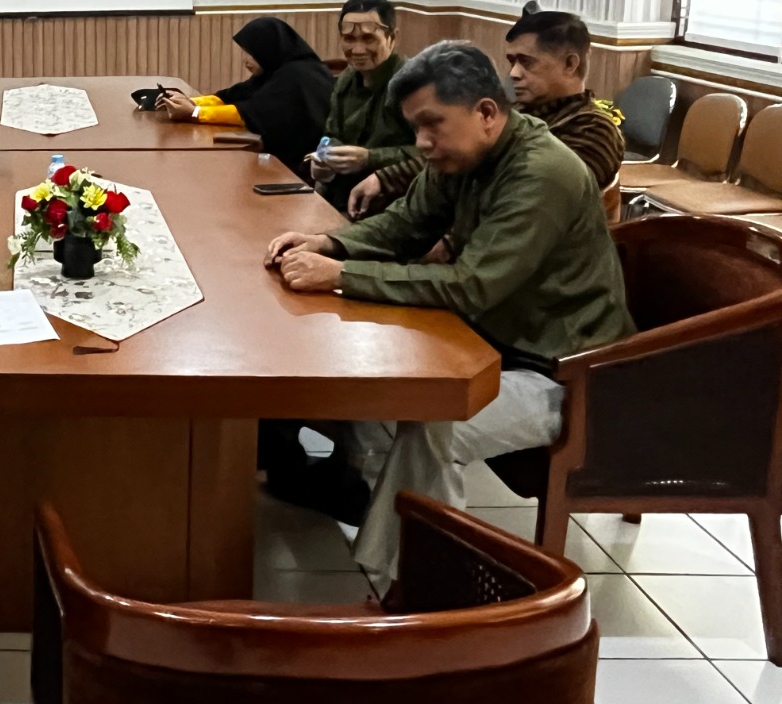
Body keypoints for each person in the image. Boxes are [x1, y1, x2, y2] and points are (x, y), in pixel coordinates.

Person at [263, 41, 634, 586]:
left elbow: (471, 287)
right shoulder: (467, 154)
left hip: (563, 372)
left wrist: (339, 276)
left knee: (431, 421)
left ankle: (431, 588)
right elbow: (405, 224)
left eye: (431, 125)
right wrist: (328, 243)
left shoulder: (542, 172)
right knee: (372, 393)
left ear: (486, 113)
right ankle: (390, 542)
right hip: (491, 346)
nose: (422, 143)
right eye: (415, 128)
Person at [348, 2, 624, 218]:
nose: (514, 73)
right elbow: (457, 150)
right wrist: (386, 178)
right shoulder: (518, 109)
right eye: (512, 61)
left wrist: (450, 242)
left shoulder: (595, 130)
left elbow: (527, 204)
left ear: (570, 65)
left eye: (527, 63)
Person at [157, 17, 334, 176]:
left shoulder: (295, 76)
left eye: (251, 54)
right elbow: (230, 97)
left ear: (267, 49)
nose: (246, 61)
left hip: (304, 169)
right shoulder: (274, 70)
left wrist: (195, 113)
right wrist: (187, 102)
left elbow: (249, 113)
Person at [307, 0, 420, 211]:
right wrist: (324, 161)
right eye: (349, 39)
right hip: (341, 199)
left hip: (395, 206)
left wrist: (370, 158)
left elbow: (433, 155)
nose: (357, 50)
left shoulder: (413, 84)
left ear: (392, 38)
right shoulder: (346, 80)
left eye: (369, 39)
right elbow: (332, 135)